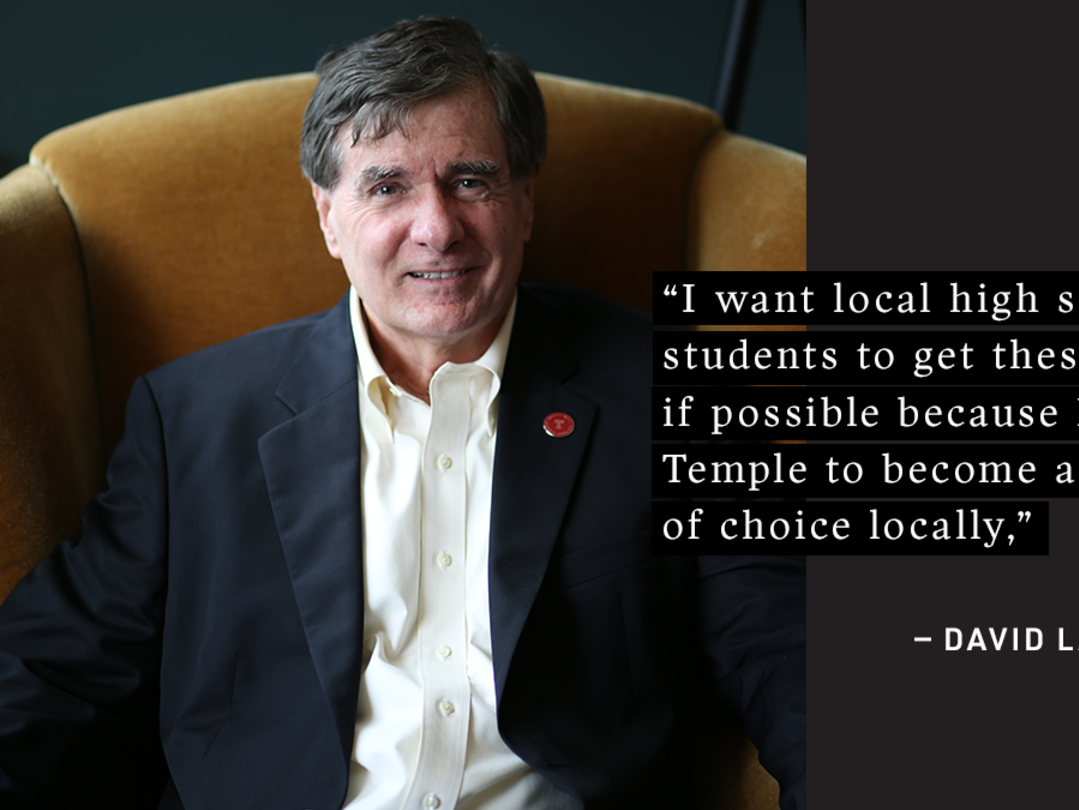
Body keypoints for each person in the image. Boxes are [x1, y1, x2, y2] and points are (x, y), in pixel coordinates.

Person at [0, 17, 805, 810]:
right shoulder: (194, 422)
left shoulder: (668, 391)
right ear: (328, 216)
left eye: (471, 180)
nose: (437, 228)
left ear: (525, 200)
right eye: (387, 186)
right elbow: (56, 677)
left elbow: (785, 653)